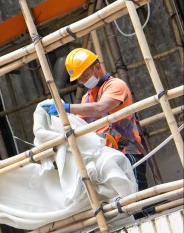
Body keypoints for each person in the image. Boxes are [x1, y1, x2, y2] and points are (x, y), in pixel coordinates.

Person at [41, 47, 148, 190]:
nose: (83, 80)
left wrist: (66, 108)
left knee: (137, 196)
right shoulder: (87, 97)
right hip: (106, 157)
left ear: (97, 66)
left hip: (127, 152)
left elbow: (100, 108)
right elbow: (77, 124)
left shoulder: (115, 85)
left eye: (85, 75)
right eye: (80, 78)